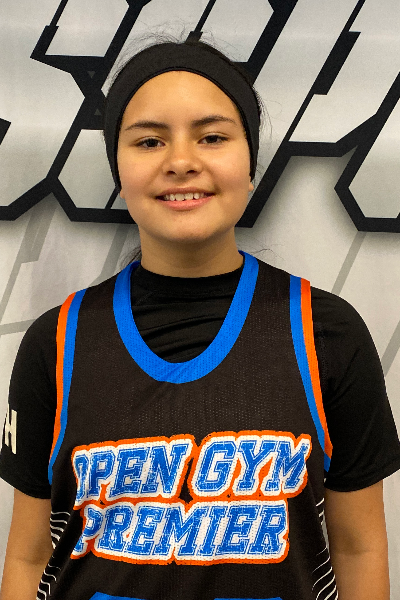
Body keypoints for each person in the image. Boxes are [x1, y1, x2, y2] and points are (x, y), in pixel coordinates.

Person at [1, 37, 400, 600]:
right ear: (118, 169)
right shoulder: (57, 342)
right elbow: (28, 556)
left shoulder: (326, 333)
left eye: (212, 137)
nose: (181, 162)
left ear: (250, 163)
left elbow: (359, 549)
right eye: (149, 140)